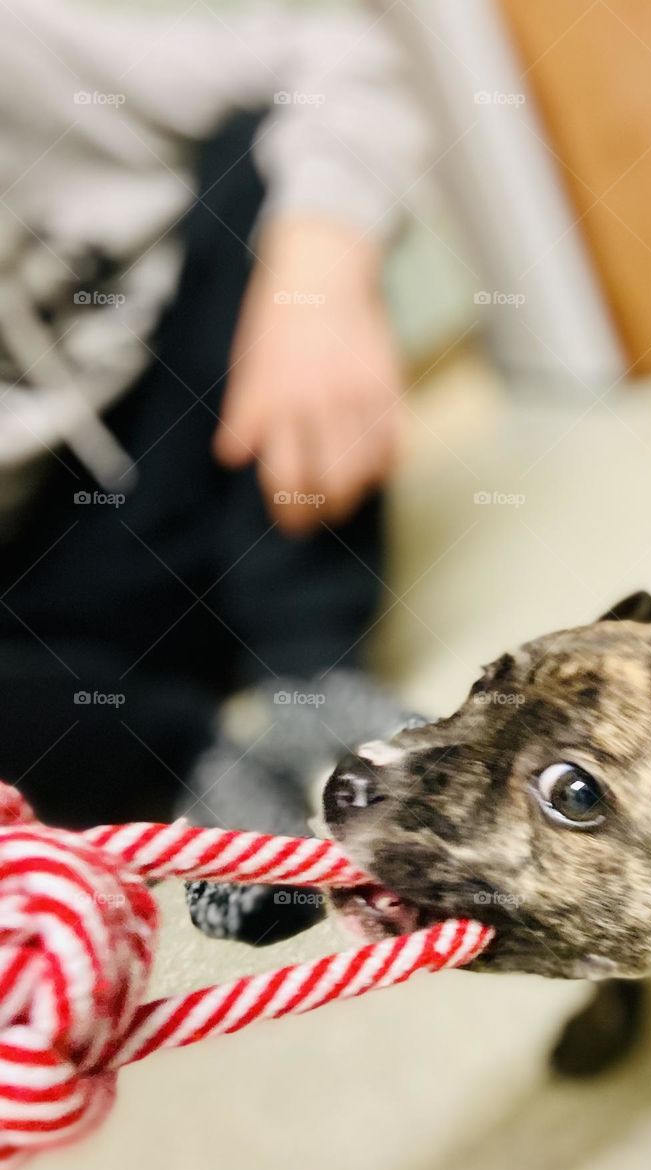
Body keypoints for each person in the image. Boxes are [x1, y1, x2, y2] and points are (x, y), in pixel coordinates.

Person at [0, 0, 430, 941]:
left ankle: (310, 670)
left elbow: (331, 52)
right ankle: (182, 768)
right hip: (39, 611)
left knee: (259, 154)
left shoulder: (19, 53)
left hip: (195, 436)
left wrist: (318, 272)